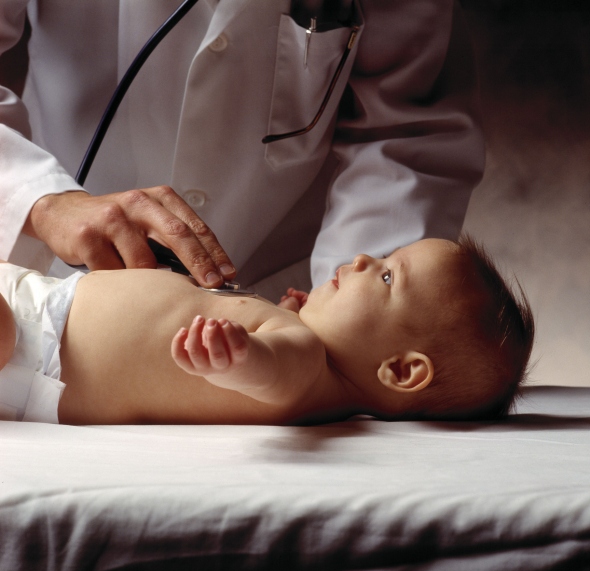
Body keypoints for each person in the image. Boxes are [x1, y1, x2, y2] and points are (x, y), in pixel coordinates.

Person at [0, 1, 485, 298]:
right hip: (61, 284)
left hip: (287, 297)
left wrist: (342, 317)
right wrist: (41, 200)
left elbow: (405, 127)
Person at [0, 236, 534, 426]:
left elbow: (272, 374)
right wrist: (282, 315)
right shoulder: (309, 354)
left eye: (390, 275)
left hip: (36, 347)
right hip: (44, 312)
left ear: (399, 370)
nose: (367, 257)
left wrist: (241, 355)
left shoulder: (300, 359)